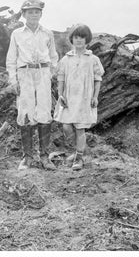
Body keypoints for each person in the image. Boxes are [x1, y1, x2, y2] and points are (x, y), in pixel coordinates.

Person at [6, 0, 58, 171]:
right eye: (29, 12)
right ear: (24, 14)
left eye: (36, 11)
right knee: (25, 112)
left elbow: (53, 56)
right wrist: (14, 80)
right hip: (25, 73)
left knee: (44, 111)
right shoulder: (17, 34)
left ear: (41, 14)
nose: (33, 15)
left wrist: (50, 73)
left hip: (43, 72)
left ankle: (44, 156)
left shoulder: (47, 33)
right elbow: (11, 59)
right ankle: (27, 157)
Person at [54, 24, 104, 170]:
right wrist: (60, 94)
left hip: (84, 98)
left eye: (82, 37)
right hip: (69, 98)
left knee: (80, 129)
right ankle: (77, 150)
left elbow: (97, 79)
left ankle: (79, 158)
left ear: (87, 39)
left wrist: (95, 97)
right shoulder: (66, 59)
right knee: (67, 126)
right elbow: (61, 78)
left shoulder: (93, 59)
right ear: (72, 39)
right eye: (76, 37)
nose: (79, 40)